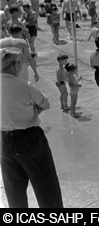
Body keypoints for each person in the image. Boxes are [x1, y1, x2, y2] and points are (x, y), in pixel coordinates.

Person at [0, 48, 63, 208]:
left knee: (14, 192)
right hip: (29, 139)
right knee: (46, 188)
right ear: (17, 65)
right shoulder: (24, 87)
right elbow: (45, 103)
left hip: (5, 140)